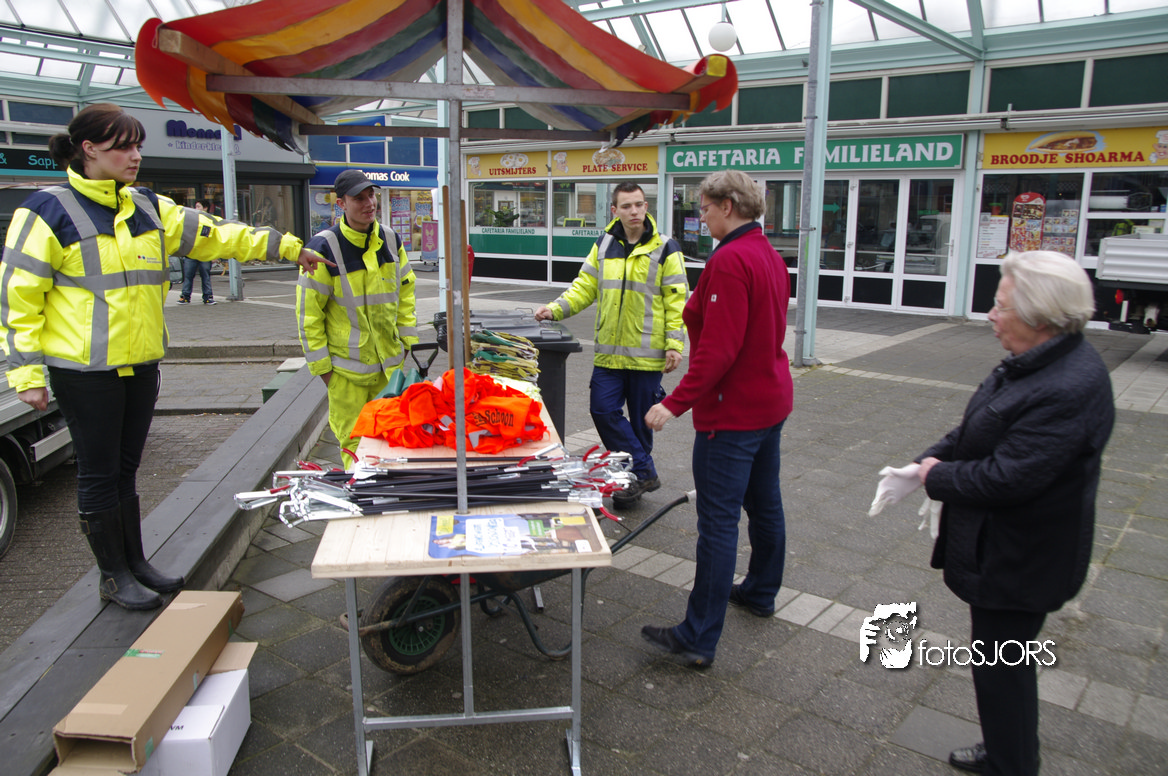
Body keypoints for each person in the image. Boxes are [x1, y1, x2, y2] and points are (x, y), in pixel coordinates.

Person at [0, 103, 325, 611]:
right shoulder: (46, 211)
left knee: (125, 471)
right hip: (85, 373)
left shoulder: (147, 206)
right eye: (122, 147)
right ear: (88, 149)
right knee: (99, 473)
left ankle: (135, 563)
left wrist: (287, 247)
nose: (135, 156)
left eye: (137, 146)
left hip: (141, 365)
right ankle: (113, 576)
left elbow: (216, 234)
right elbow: (18, 297)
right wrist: (26, 373)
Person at [913, 251, 1114, 775]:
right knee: (1000, 664)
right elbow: (980, 426)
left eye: (1001, 306)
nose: (990, 315)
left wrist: (936, 476)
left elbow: (1008, 477)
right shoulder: (1036, 361)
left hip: (1021, 561)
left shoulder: (1066, 387)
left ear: (1040, 317)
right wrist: (928, 459)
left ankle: (1012, 762)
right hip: (1008, 552)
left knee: (1003, 668)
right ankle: (1008, 752)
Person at [640, 170, 793, 668]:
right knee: (765, 504)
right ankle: (761, 591)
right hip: (769, 403)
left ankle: (698, 635)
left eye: (704, 208)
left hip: (733, 414)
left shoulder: (729, 260)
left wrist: (674, 403)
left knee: (719, 523)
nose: (700, 217)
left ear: (728, 206)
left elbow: (719, 350)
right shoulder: (768, 253)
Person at [535, 182, 687, 508]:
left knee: (641, 425)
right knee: (602, 410)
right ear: (615, 210)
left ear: (646, 207)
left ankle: (632, 483)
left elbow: (676, 300)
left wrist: (675, 343)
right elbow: (584, 286)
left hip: (647, 356)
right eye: (627, 206)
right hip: (609, 354)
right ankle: (643, 470)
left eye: (639, 204)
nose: (634, 211)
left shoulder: (666, 248)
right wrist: (555, 309)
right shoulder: (604, 244)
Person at [296, 170, 418, 468]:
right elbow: (309, 316)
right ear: (341, 203)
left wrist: (406, 344)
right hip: (346, 375)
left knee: (392, 442)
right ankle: (362, 494)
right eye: (359, 198)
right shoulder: (322, 248)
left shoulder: (390, 239)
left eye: (371, 195)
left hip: (388, 370)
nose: (369, 203)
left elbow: (405, 292)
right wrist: (325, 372)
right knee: (355, 449)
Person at [178, 200, 216, 305]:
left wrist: (215, 255)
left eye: (198, 206)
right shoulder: (192, 220)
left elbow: (214, 239)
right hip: (192, 252)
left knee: (205, 276)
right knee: (188, 275)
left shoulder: (211, 220)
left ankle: (208, 296)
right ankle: (185, 296)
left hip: (205, 253)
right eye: (195, 206)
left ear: (205, 208)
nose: (196, 209)